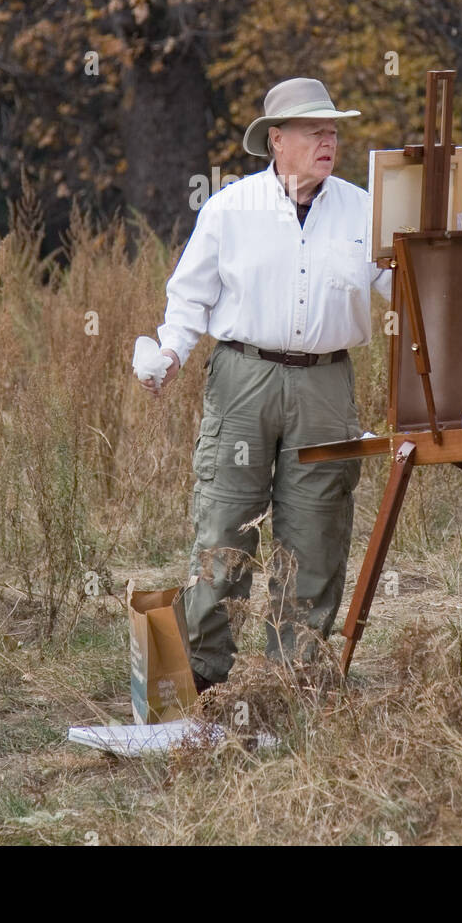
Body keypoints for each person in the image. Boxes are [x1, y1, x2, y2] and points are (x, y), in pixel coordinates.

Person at [138, 77, 391, 692]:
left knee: (316, 531)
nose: (328, 141)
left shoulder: (365, 210)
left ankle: (294, 680)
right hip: (243, 378)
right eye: (314, 131)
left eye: (332, 131)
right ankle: (200, 681)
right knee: (225, 525)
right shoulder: (230, 208)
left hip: (326, 383)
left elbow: (402, 294)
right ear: (277, 140)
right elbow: (190, 295)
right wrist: (171, 351)